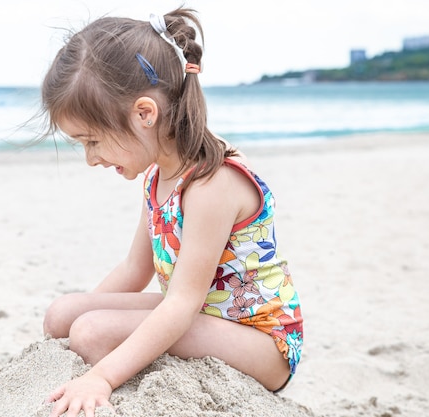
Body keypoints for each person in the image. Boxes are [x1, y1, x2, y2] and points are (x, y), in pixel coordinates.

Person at [37, 7, 303, 417]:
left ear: (144, 114)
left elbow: (180, 303)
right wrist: (73, 321)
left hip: (259, 340)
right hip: (202, 316)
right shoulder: (158, 174)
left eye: (92, 141)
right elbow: (133, 269)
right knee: (64, 316)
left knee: (91, 334)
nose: (90, 159)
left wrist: (101, 376)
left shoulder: (212, 182)